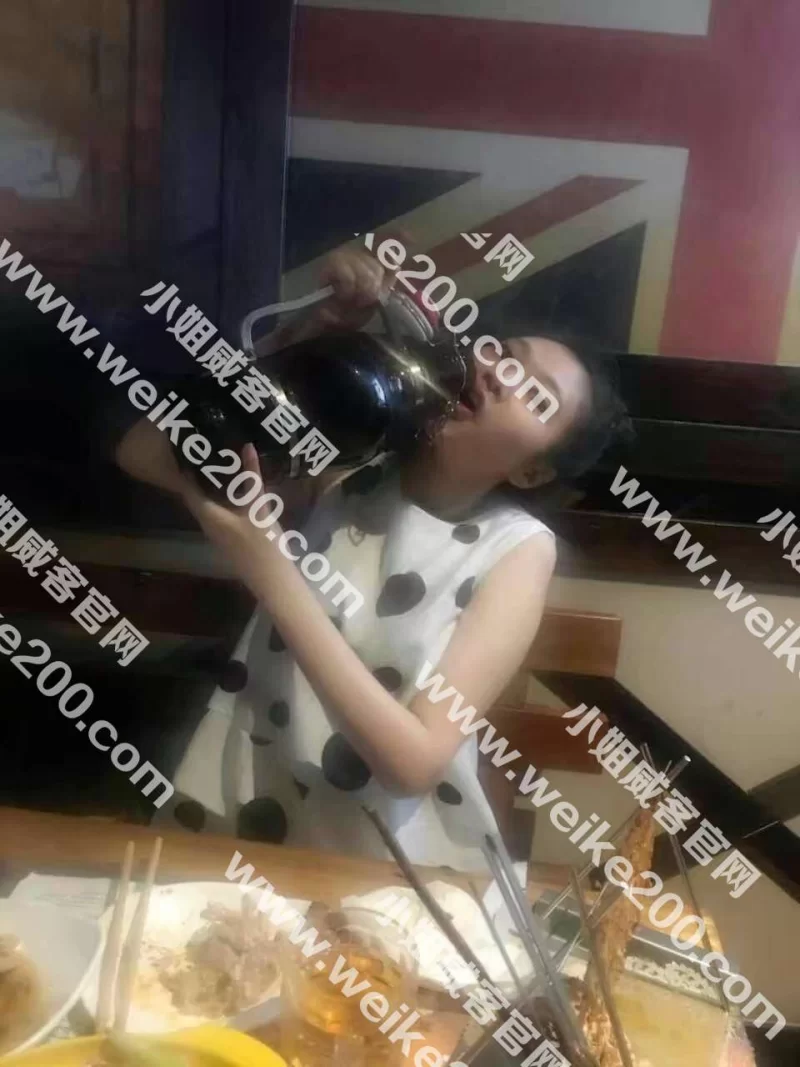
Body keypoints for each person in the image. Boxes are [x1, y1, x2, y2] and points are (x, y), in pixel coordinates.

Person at [114, 246, 627, 870]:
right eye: (503, 355)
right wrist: (312, 333)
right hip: (243, 814)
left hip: (382, 867)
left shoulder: (517, 548)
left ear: (532, 471)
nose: (501, 376)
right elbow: (145, 451)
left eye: (537, 397)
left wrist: (270, 571)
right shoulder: (347, 467)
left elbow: (413, 764)